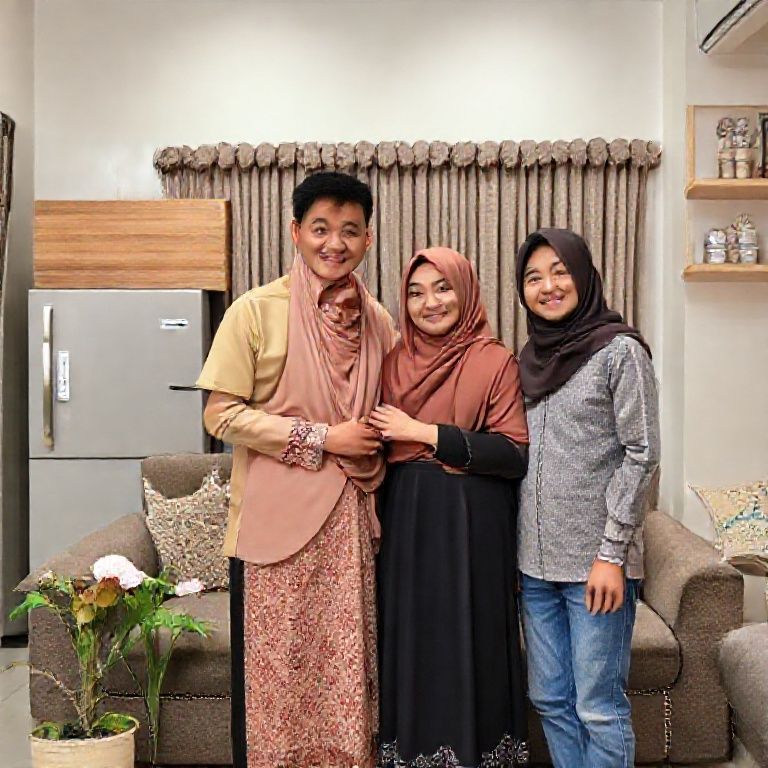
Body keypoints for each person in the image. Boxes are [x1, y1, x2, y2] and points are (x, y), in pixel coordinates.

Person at [197, 171, 397, 768]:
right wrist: (323, 437)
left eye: (350, 230)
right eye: (320, 228)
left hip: (352, 527)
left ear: (368, 240)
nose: (335, 243)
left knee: (345, 674)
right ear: (295, 231)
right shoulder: (256, 311)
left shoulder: (378, 321)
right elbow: (220, 415)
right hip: (275, 526)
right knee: (279, 676)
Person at [369, 247, 530, 768]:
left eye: (443, 288)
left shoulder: (495, 361)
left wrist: (424, 434)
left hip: (474, 524)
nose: (430, 303)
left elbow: (512, 454)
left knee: (473, 637)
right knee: (415, 641)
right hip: (407, 521)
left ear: (465, 292)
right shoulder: (392, 364)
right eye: (416, 293)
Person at [514, 228, 660, 768]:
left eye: (560, 271)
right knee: (550, 701)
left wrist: (611, 555)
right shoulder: (529, 360)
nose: (548, 286)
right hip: (534, 569)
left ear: (584, 275)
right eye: (533, 277)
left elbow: (642, 453)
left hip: (596, 566)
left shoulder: (620, 351)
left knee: (597, 707)